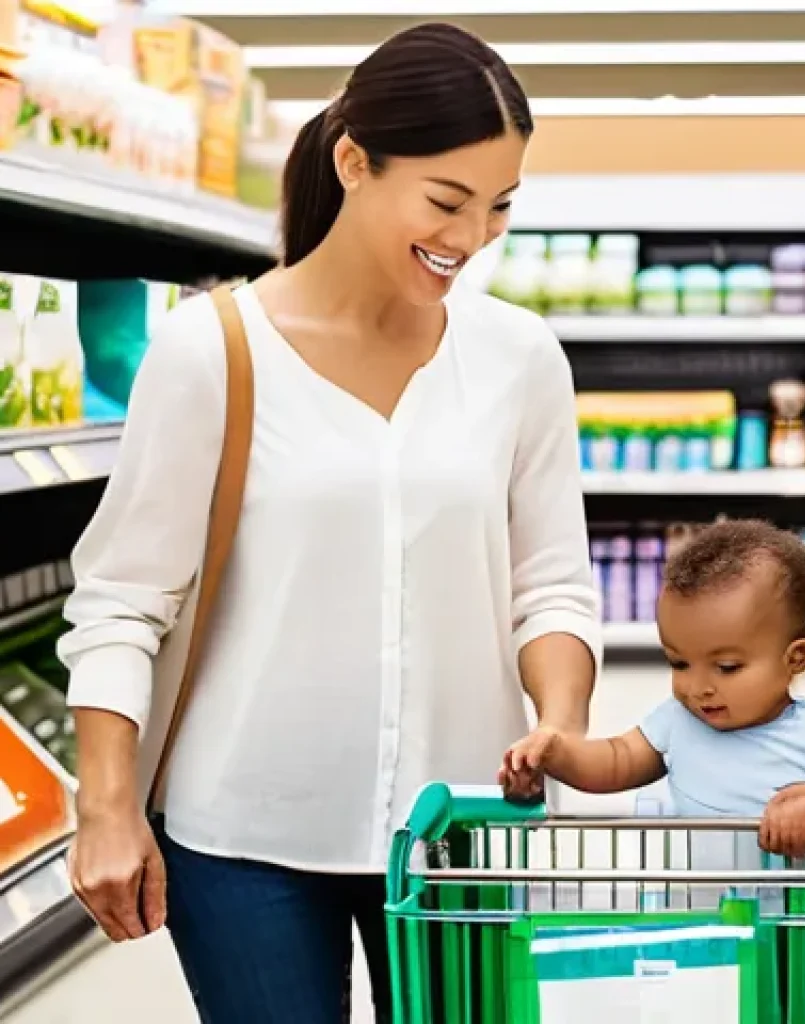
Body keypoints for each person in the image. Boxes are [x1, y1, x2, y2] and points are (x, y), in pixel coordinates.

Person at [58, 22, 600, 1024]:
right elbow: (124, 600)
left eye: (499, 208)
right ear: (354, 161)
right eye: (446, 200)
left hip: (460, 826)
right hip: (244, 833)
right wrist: (103, 804)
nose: (472, 237)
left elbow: (550, 583)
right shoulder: (208, 352)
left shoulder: (520, 360)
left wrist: (559, 719)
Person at [501, 519, 805, 859]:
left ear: (796, 659)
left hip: (792, 934)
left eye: (726, 667)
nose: (697, 688)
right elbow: (615, 761)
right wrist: (556, 751)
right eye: (678, 663)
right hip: (696, 918)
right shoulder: (678, 721)